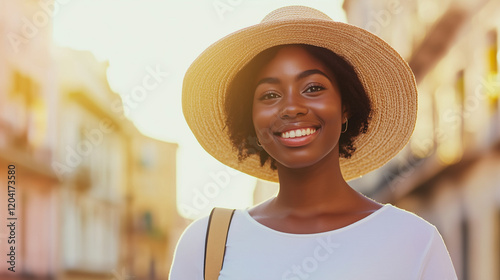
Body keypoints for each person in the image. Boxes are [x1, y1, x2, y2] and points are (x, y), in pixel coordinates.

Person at [171, 5, 458, 280]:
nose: (291, 107)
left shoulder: (416, 242)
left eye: (313, 88)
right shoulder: (205, 245)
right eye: (270, 95)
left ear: (346, 106)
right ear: (251, 118)